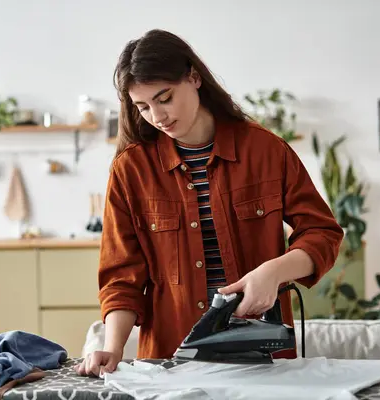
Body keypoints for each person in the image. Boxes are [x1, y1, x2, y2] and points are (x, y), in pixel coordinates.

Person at [75, 29, 344, 377]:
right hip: (169, 363)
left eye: (165, 97)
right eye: (143, 106)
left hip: (263, 362)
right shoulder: (131, 170)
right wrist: (112, 349)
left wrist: (273, 272)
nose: (157, 116)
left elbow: (322, 232)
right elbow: (121, 278)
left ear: (194, 77)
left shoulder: (265, 151)